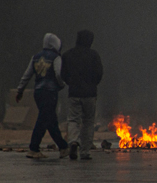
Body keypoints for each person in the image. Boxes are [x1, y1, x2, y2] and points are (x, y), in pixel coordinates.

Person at [16, 33, 69, 159]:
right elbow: (58, 74)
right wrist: (62, 85)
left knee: (50, 121)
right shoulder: (56, 57)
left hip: (38, 93)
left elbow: (27, 75)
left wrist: (20, 90)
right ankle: (33, 148)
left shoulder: (35, 57)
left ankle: (63, 147)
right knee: (43, 120)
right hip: (50, 93)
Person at [60, 30, 103, 160]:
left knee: (73, 119)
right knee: (88, 121)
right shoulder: (94, 55)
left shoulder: (68, 55)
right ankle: (85, 151)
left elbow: (63, 74)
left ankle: (73, 141)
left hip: (74, 93)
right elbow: (99, 74)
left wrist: (71, 83)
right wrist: (92, 85)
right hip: (90, 94)